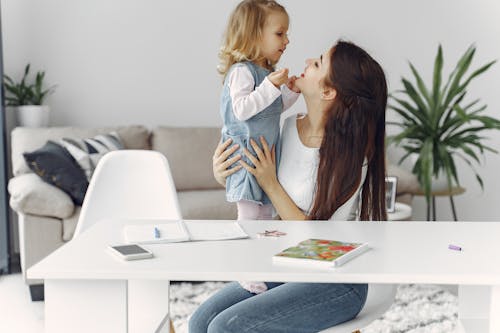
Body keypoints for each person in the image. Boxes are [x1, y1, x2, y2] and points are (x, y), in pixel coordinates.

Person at [189, 40, 388, 333]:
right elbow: (256, 183)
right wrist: (224, 173)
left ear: (328, 91)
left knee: (226, 327)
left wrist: (271, 184)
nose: (307, 60)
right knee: (200, 322)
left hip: (335, 278)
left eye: (318, 63)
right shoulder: (288, 126)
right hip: (288, 263)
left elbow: (319, 238)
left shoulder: (351, 157)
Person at [218, 0, 300, 222]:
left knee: (265, 213)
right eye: (280, 34)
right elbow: (242, 110)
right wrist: (271, 87)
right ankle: (244, 251)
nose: (287, 40)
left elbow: (272, 109)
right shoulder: (242, 72)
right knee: (249, 215)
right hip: (245, 157)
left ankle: (261, 250)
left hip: (264, 158)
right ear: (254, 36)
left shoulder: (266, 74)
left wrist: (289, 93)